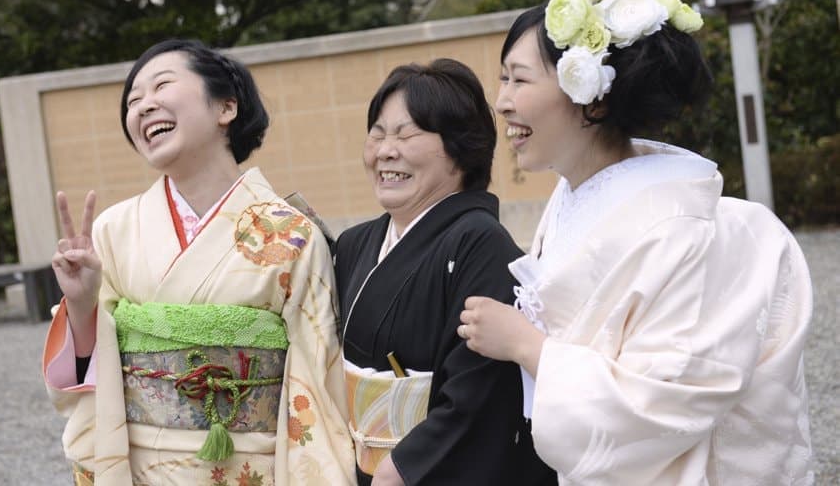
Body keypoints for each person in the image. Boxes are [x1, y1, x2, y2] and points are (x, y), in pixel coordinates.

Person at [458, 0, 814, 484]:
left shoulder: (683, 227)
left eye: (518, 79)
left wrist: (528, 347)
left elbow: (667, 404)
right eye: (502, 78)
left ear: (593, 98)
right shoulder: (572, 198)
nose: (502, 101)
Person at [42, 39, 355, 485]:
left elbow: (316, 381)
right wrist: (81, 306)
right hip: (142, 469)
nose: (143, 107)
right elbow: (82, 383)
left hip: (253, 469)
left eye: (161, 86)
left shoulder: (291, 234)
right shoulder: (113, 230)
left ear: (226, 106)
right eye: (133, 102)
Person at [333, 58, 558, 485]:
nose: (385, 150)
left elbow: (478, 395)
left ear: (461, 146)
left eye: (406, 134)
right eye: (377, 133)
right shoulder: (354, 245)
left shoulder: (481, 244)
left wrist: (400, 469)